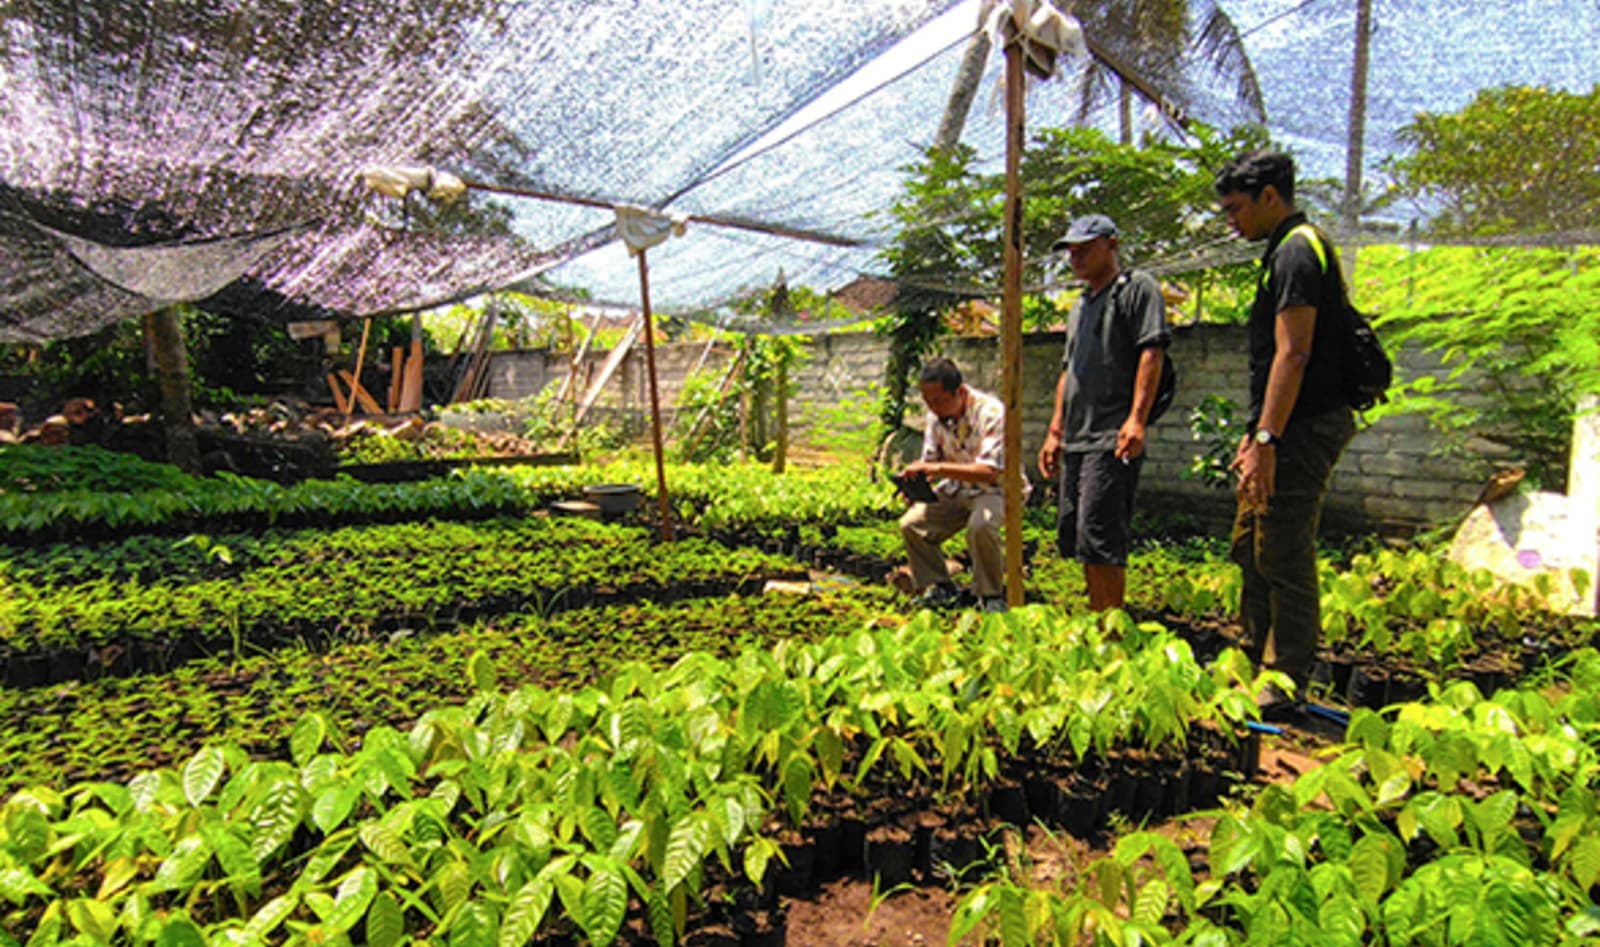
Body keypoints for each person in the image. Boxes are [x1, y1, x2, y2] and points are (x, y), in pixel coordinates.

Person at [1214, 149, 1356, 715]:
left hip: (1303, 426)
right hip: (1277, 428)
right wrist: (1255, 436)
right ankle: (1252, 655)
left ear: (1270, 197)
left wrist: (1268, 441)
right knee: (1249, 542)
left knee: (1283, 547)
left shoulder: (1299, 251)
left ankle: (1286, 675)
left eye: (1236, 209)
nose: (1232, 221)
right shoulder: (1282, 252)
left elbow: (1292, 354)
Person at [1038, 214, 1171, 612]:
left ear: (1112, 245)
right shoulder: (1080, 305)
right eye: (1071, 252)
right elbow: (1069, 370)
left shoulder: (1136, 290)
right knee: (1079, 535)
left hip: (1111, 436)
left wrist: (1136, 419)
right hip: (1077, 436)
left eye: (1085, 249)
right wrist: (1055, 431)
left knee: (1101, 535)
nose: (1075, 258)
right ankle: (1099, 619)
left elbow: (1152, 351)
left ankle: (1110, 631)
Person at [898, 357, 1017, 612]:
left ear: (960, 392)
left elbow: (990, 471)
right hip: (956, 489)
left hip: (996, 490)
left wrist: (937, 469)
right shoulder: (935, 417)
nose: (934, 409)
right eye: (929, 402)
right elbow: (930, 461)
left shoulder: (992, 414)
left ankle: (991, 595)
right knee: (911, 524)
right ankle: (940, 586)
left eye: (940, 401)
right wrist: (915, 485)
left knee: (980, 526)